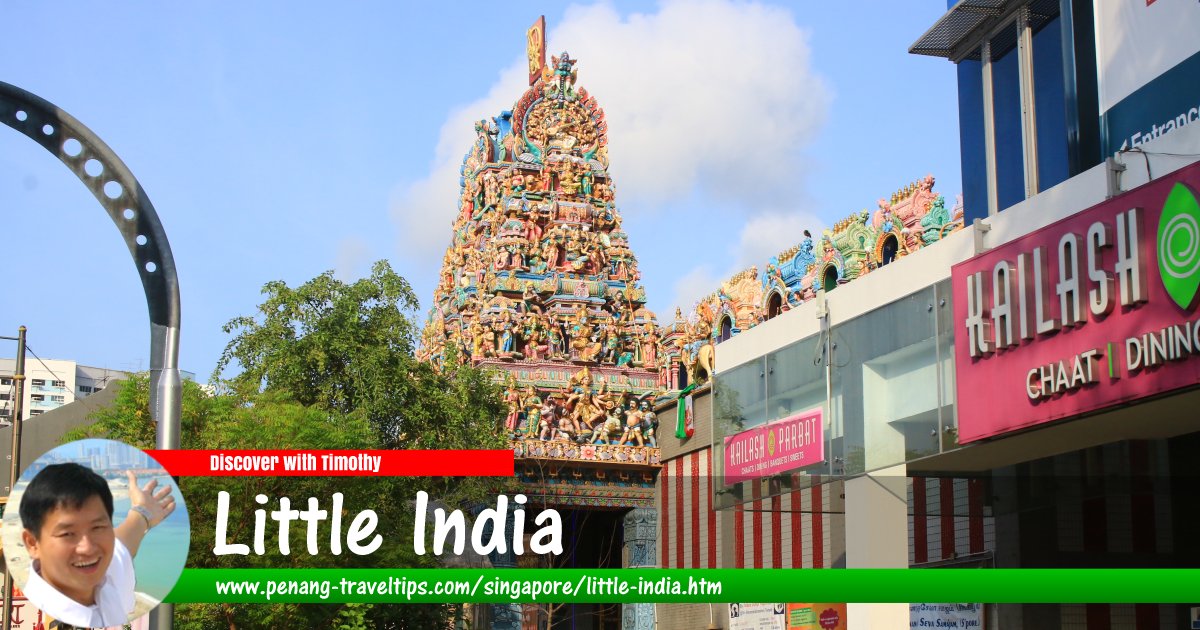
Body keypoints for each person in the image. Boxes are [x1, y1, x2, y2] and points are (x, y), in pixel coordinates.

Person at [19, 463, 175, 629]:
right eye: (67, 534)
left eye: (97, 527)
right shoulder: (40, 608)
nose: (87, 548)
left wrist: (143, 512)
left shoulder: (107, 576)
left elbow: (122, 545)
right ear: (32, 543)